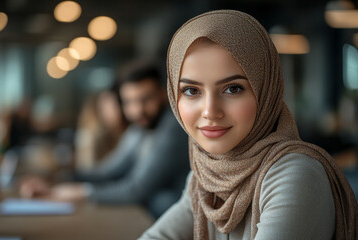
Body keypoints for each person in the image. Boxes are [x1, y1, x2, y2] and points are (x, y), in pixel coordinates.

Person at [140, 10, 357, 239]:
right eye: (192, 91)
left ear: (266, 90)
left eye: (233, 88)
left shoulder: (295, 174)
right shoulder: (206, 175)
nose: (210, 112)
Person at [20, 61, 190, 218]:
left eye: (146, 99)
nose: (138, 110)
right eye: (129, 102)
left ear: (163, 93)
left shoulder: (173, 128)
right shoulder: (140, 127)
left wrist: (78, 192)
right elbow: (108, 171)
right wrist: (55, 181)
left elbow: (136, 189)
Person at [74, 86, 128, 171]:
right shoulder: (89, 135)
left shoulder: (127, 132)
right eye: (112, 107)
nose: (118, 111)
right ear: (100, 110)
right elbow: (87, 169)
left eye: (119, 104)